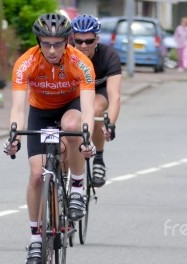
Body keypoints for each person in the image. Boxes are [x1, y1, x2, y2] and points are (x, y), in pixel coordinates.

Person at [2, 13, 96, 264]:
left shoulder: (81, 62)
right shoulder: (25, 63)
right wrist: (14, 135)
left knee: (72, 125)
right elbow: (19, 109)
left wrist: (86, 136)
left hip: (71, 106)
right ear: (38, 42)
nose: (52, 50)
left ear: (67, 42)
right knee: (36, 174)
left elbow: (88, 108)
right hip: (41, 114)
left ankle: (76, 186)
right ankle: (35, 240)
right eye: (46, 44)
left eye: (57, 43)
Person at [71, 14, 122, 187]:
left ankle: (98, 157)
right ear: (72, 39)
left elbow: (114, 95)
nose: (83, 45)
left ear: (97, 39)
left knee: (95, 109)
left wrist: (111, 124)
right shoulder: (65, 54)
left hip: (98, 91)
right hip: (72, 92)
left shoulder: (109, 56)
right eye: (78, 41)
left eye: (89, 41)